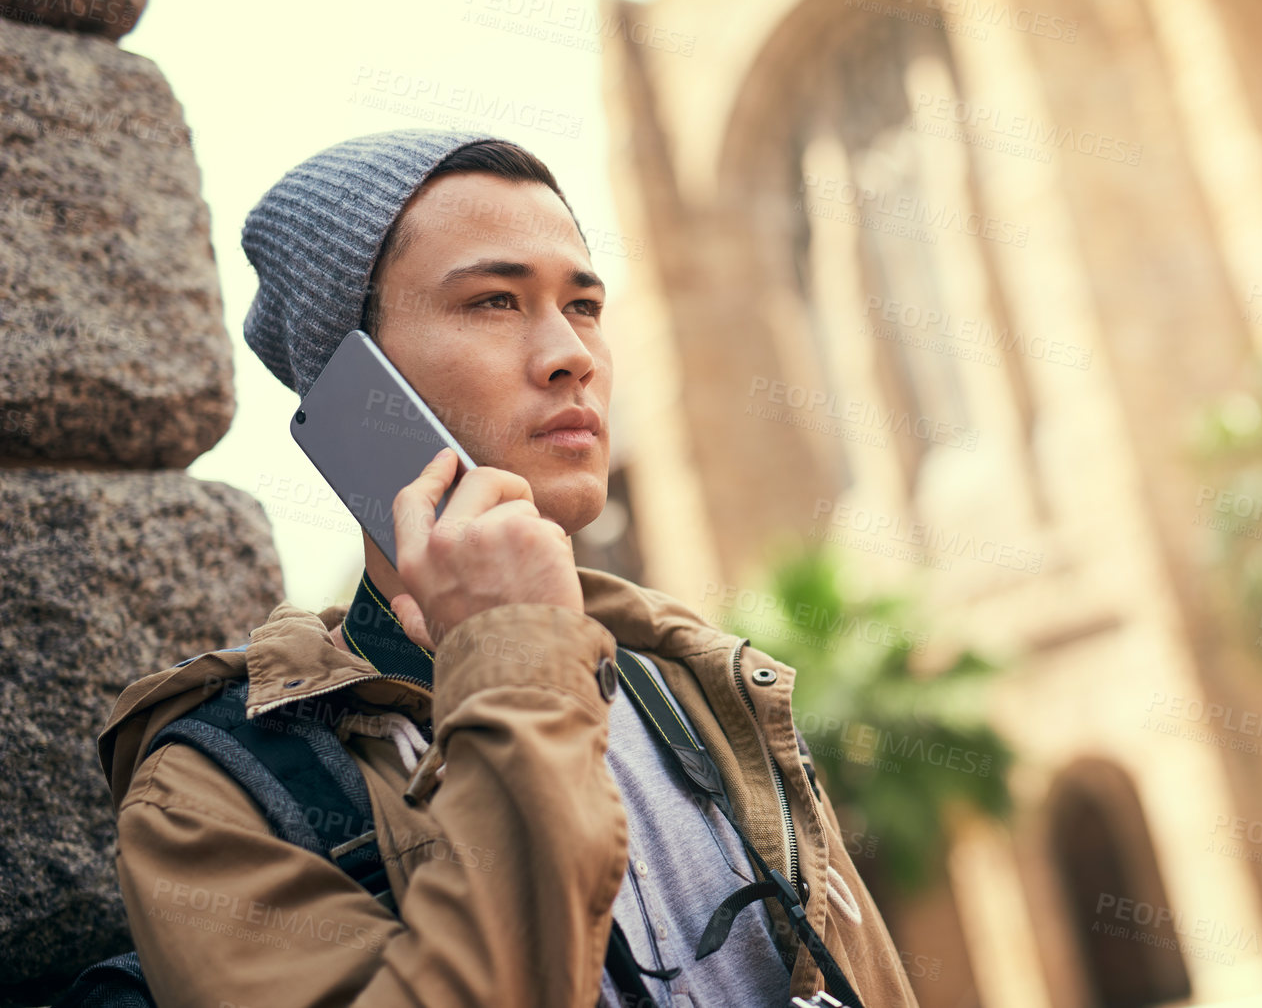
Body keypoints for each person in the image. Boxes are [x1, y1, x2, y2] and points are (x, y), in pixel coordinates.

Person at [97, 129, 918, 1008]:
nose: (574, 354)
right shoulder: (213, 789)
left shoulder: (704, 682)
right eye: (494, 301)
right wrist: (510, 655)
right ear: (353, 388)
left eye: (586, 304)